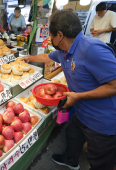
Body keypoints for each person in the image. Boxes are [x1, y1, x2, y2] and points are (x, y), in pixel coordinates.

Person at [21, 9, 116, 170]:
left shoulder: (92, 49)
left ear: (59, 35)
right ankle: (70, 160)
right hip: (82, 113)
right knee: (72, 134)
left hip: (102, 121)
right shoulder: (65, 51)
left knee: (100, 161)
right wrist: (29, 58)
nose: (50, 39)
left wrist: (78, 97)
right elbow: (47, 57)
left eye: (50, 36)